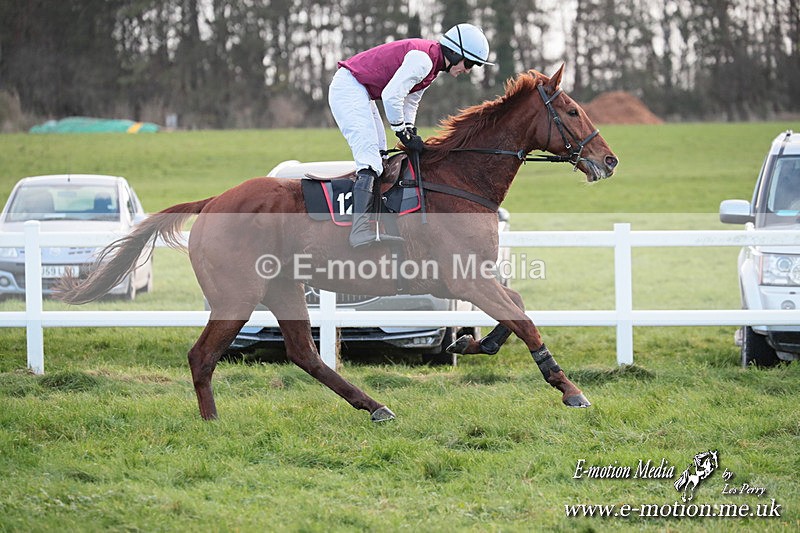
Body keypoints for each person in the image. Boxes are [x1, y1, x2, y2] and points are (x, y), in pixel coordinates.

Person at [328, 23, 493, 247]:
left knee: (380, 155)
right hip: (349, 88)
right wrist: (402, 132)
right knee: (370, 161)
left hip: (361, 91)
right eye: (470, 62)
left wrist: (410, 130)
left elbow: (410, 101)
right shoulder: (423, 60)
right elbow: (391, 95)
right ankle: (359, 231)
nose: (469, 69)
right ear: (454, 53)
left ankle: (375, 223)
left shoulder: (432, 66)